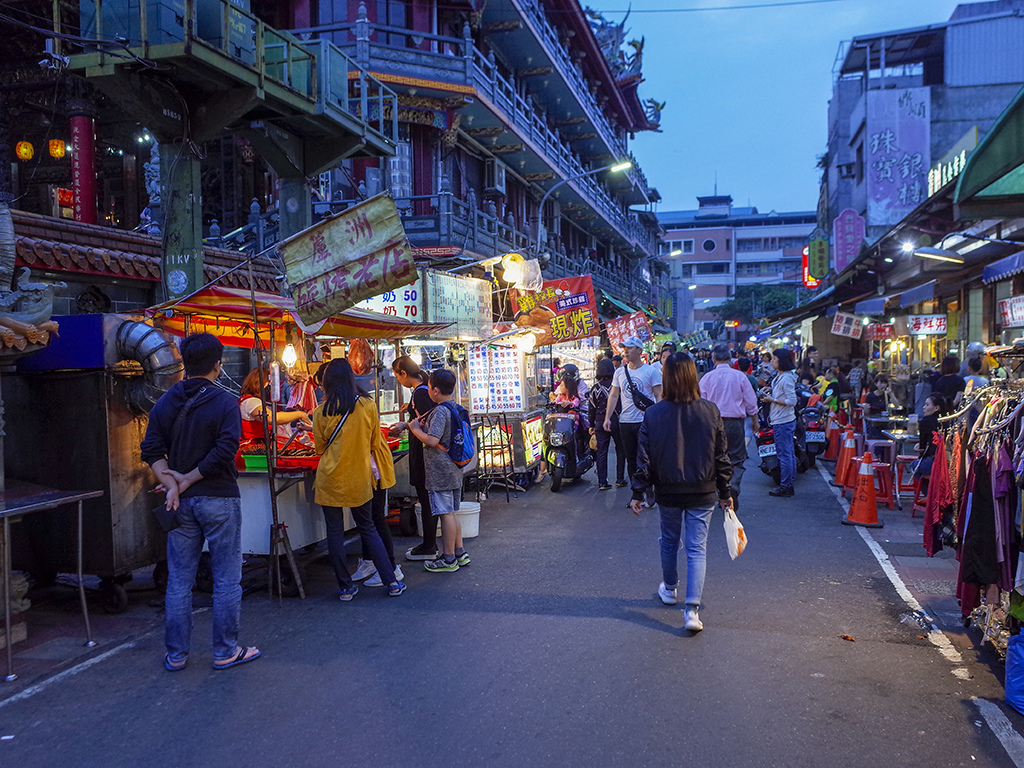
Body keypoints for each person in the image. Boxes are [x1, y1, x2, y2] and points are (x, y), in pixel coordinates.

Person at [140, 332, 259, 671]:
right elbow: (224, 452)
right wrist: (187, 479)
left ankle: (176, 655)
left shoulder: (165, 401)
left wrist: (173, 483)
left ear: (184, 365)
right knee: (225, 579)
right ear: (218, 365)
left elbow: (150, 451)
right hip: (219, 499)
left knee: (180, 580)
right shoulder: (224, 402)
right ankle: (225, 651)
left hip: (180, 504)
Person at [630, 352, 732, 633]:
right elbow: (721, 456)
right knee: (697, 548)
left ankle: (670, 589)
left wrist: (638, 493)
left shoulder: (653, 413)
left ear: (666, 378)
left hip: (668, 490)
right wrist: (726, 491)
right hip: (703, 490)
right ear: (693, 376)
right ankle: (692, 612)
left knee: (669, 542)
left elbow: (644, 459)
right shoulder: (710, 410)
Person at [313, 359, 405, 600]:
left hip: (329, 477)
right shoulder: (366, 405)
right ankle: (392, 583)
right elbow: (376, 441)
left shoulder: (320, 411)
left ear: (326, 382)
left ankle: (344, 588)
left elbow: (319, 447)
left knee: (334, 533)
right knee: (368, 527)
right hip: (358, 476)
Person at [408, 369, 471, 573]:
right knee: (452, 513)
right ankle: (460, 553)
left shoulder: (440, 411)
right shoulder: (455, 407)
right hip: (454, 468)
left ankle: (448, 558)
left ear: (434, 390)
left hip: (440, 471)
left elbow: (433, 440)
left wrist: (414, 429)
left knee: (445, 515)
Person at [389, 355, 438, 562]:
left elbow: (428, 421)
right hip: (425, 450)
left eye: (397, 376)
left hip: (424, 452)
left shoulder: (420, 392)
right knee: (427, 498)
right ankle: (429, 543)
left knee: (426, 498)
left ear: (403, 374)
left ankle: (429, 545)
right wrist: (409, 416)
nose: (398, 380)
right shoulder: (421, 390)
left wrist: (405, 425)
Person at [604, 336, 662, 507]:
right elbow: (614, 395)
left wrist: (659, 418)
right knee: (630, 459)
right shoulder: (620, 372)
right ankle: (637, 494)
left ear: (639, 351)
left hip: (645, 420)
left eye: (630, 348)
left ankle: (649, 487)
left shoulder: (651, 371)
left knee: (646, 458)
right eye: (624, 348)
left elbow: (659, 395)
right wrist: (607, 418)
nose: (626, 351)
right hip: (625, 421)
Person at [699, 344, 758, 511]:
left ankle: (720, 489)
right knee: (737, 458)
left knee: (713, 457)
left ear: (713, 359)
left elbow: (700, 403)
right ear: (731, 359)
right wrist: (755, 420)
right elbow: (751, 402)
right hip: (735, 424)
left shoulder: (707, 378)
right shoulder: (740, 377)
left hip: (712, 423)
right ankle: (733, 486)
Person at [238, 366, 311, 446]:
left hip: (256, 446)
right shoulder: (251, 402)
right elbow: (270, 418)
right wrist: (299, 414)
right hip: (252, 449)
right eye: (268, 384)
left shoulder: (245, 400)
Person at [763, 348, 798, 497]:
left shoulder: (786, 378)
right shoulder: (780, 376)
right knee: (788, 453)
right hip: (782, 419)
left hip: (783, 421)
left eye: (775, 358)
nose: (772, 361)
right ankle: (789, 482)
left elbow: (792, 400)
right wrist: (770, 389)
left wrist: (773, 400)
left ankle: (786, 486)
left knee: (784, 455)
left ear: (781, 360)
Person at [589, 358, 626, 491]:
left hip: (599, 421)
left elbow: (591, 407)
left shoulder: (595, 388)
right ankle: (620, 479)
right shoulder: (617, 386)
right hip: (616, 419)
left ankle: (602, 482)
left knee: (601, 451)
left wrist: (591, 424)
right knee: (620, 450)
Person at [913, 392, 949, 480]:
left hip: (934, 461)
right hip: (948, 461)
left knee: (914, 465)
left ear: (936, 408)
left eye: (927, 405)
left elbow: (922, 448)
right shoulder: (948, 420)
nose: (924, 407)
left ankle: (927, 490)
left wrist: (917, 447)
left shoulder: (926, 421)